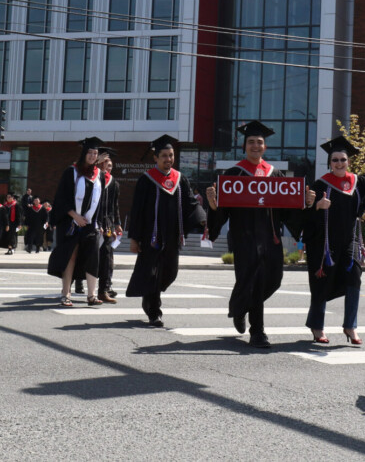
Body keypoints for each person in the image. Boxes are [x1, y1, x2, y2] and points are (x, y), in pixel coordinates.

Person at [206, 121, 299, 348]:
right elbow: (223, 213)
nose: (255, 146)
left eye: (259, 142)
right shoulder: (233, 174)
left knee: (274, 280)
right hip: (245, 240)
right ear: (244, 146)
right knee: (255, 283)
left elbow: (287, 212)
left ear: (265, 147)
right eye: (251, 142)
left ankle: (241, 307)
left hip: (271, 239)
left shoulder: (275, 174)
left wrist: (303, 203)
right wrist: (213, 205)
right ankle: (258, 332)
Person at [301, 136, 365, 346]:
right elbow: (303, 215)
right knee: (321, 283)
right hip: (324, 242)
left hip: (350, 240)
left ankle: (350, 326)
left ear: (348, 161)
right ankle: (317, 326)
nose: (339, 163)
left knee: (354, 277)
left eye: (343, 159)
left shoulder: (357, 181)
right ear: (329, 163)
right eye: (335, 160)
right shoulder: (320, 184)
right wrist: (316, 207)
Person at [126, 135, 206, 326]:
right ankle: (154, 311)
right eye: (164, 156)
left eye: (171, 155)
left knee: (170, 273)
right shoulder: (146, 180)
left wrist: (203, 219)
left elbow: (191, 203)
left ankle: (150, 294)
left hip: (172, 235)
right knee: (152, 273)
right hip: (151, 237)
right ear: (156, 158)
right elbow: (137, 210)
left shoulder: (180, 179)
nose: (168, 159)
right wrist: (134, 238)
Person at [48, 137, 107, 306]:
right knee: (70, 256)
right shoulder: (71, 172)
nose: (92, 156)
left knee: (92, 257)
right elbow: (60, 198)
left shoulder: (99, 176)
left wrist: (100, 223)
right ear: (83, 153)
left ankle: (91, 295)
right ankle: (66, 293)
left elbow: (100, 202)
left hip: (90, 224)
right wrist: (75, 216)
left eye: (95, 153)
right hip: (70, 223)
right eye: (89, 152)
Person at [96, 148, 122, 302]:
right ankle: (76, 283)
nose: (107, 166)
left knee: (107, 256)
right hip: (92, 222)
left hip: (107, 223)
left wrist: (117, 224)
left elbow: (115, 206)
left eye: (110, 164)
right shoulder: (92, 178)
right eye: (104, 162)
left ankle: (104, 289)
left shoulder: (114, 183)